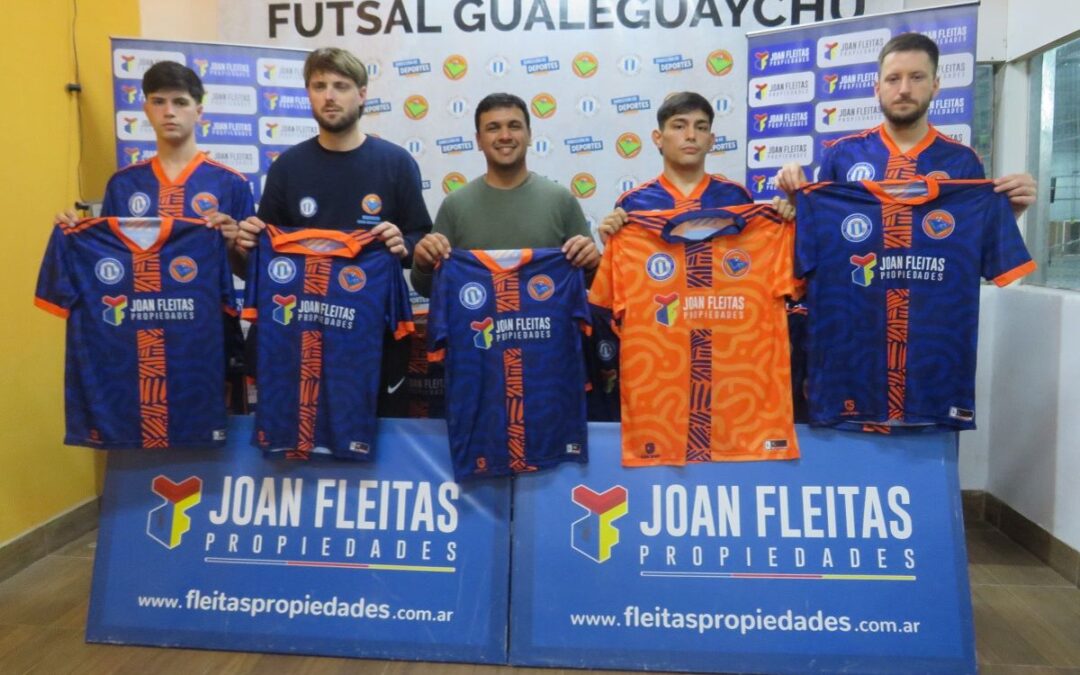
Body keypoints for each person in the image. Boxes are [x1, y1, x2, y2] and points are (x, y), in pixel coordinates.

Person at [774, 32, 1036, 213]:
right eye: (893, 79)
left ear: (935, 86)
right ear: (877, 88)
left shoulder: (962, 161)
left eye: (917, 77)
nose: (904, 89)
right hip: (858, 292)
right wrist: (794, 205)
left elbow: (979, 242)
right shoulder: (842, 155)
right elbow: (819, 234)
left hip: (933, 295)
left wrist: (1011, 209)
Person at [235, 47, 429, 262]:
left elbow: (421, 239)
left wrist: (404, 246)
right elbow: (265, 249)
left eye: (340, 86)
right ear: (308, 94)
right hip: (305, 295)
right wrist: (249, 241)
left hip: (374, 294)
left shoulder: (397, 163)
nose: (329, 97)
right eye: (319, 87)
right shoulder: (287, 167)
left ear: (362, 95)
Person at [56, 61, 252, 257]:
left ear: (198, 112)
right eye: (158, 102)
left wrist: (231, 246)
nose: (169, 112)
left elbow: (251, 272)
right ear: (146, 110)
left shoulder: (232, 183)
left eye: (180, 102)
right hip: (139, 288)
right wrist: (73, 233)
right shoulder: (123, 184)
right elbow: (109, 258)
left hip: (210, 289)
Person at [410, 92, 598, 297]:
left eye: (514, 126)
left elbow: (595, 282)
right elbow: (428, 289)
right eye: (493, 128)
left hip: (547, 327)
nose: (505, 136)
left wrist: (591, 264)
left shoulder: (561, 200)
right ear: (479, 140)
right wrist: (423, 264)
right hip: (478, 328)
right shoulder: (455, 205)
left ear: (529, 135)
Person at [596, 92, 791, 239]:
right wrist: (611, 242)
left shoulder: (736, 196)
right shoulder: (633, 202)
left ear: (711, 140)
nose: (691, 135)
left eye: (701, 127)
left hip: (725, 294)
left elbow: (754, 257)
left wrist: (785, 222)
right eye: (679, 126)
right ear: (658, 138)